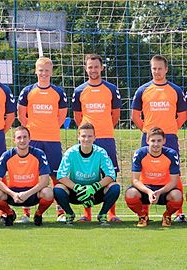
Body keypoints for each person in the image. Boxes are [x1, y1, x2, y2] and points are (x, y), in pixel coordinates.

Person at [131, 55, 187, 222]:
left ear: (166, 69)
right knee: (146, 173)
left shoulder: (175, 90)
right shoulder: (143, 90)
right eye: (154, 68)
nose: (157, 71)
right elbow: (135, 116)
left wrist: (169, 131)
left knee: (174, 173)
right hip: (148, 138)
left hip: (170, 137)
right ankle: (144, 212)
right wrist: (149, 134)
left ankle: (179, 213)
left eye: (160, 68)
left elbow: (182, 116)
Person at [72, 53, 121, 222]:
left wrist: (104, 128)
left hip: (106, 137)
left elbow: (115, 115)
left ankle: (111, 213)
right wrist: (88, 135)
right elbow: (78, 117)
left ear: (102, 68)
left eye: (96, 67)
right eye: (90, 67)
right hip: (87, 140)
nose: (93, 70)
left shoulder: (111, 89)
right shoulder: (79, 91)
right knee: (87, 176)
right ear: (86, 68)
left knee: (110, 174)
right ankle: (87, 215)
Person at [17, 57, 67, 222]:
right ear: (35, 71)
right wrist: (31, 131)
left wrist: (50, 128)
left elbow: (61, 117)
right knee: (31, 176)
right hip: (34, 140)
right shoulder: (27, 91)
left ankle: (60, 212)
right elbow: (21, 115)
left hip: (52, 140)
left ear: (51, 72)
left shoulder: (58, 92)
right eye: (41, 70)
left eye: (47, 70)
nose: (43, 73)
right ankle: (26, 213)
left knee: (55, 176)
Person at [53, 123, 120, 226]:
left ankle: (102, 215)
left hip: (95, 192)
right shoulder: (70, 153)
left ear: (95, 138)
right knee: (57, 189)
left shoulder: (101, 152)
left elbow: (111, 175)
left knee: (115, 187)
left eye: (90, 136)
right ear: (78, 137)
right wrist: (77, 188)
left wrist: (94, 187)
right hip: (76, 192)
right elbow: (61, 176)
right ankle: (69, 214)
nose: (86, 139)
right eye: (83, 136)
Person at [0, 126, 54, 226]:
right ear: (14, 140)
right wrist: (12, 194)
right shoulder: (7, 155)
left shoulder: (38, 154)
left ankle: (38, 214)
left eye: (25, 137)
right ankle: (10, 213)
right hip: (13, 194)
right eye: (19, 137)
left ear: (30, 139)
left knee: (48, 192)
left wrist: (27, 193)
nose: (22, 140)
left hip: (33, 193)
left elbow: (45, 180)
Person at [125, 127, 183, 227]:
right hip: (145, 189)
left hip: (164, 189)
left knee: (177, 195)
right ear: (147, 141)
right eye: (153, 141)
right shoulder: (140, 153)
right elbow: (135, 180)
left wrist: (159, 192)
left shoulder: (172, 154)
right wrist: (149, 192)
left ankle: (167, 215)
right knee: (130, 193)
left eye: (159, 140)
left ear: (164, 141)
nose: (156, 144)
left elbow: (174, 181)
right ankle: (142, 215)